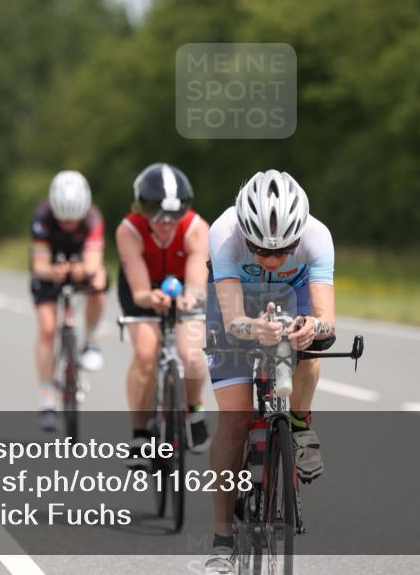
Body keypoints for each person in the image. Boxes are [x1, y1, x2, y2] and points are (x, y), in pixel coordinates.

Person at [204, 170, 336, 575]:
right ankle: (223, 539)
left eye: (284, 251)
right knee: (235, 420)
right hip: (237, 308)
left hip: (291, 299)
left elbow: (328, 320)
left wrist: (314, 328)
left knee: (309, 352)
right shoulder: (225, 233)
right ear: (246, 233)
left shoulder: (317, 236)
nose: (274, 259)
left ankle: (298, 423)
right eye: (261, 251)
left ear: (300, 236)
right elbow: (232, 322)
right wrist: (252, 329)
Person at [116, 163, 211, 468]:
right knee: (146, 352)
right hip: (142, 288)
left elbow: (198, 282)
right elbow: (140, 289)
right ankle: (140, 433)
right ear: (141, 208)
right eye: (158, 217)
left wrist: (190, 298)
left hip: (184, 288)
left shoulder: (197, 228)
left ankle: (194, 409)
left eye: (174, 217)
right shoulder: (128, 230)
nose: (166, 225)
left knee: (191, 354)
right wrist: (148, 298)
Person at [31, 171, 109, 431]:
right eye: (63, 220)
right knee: (48, 329)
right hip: (49, 271)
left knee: (99, 283)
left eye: (73, 220)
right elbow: (39, 265)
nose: (68, 225)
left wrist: (83, 272)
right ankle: (47, 398)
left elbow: (94, 261)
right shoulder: (42, 217)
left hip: (79, 263)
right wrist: (53, 272)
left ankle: (92, 342)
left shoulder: (94, 218)